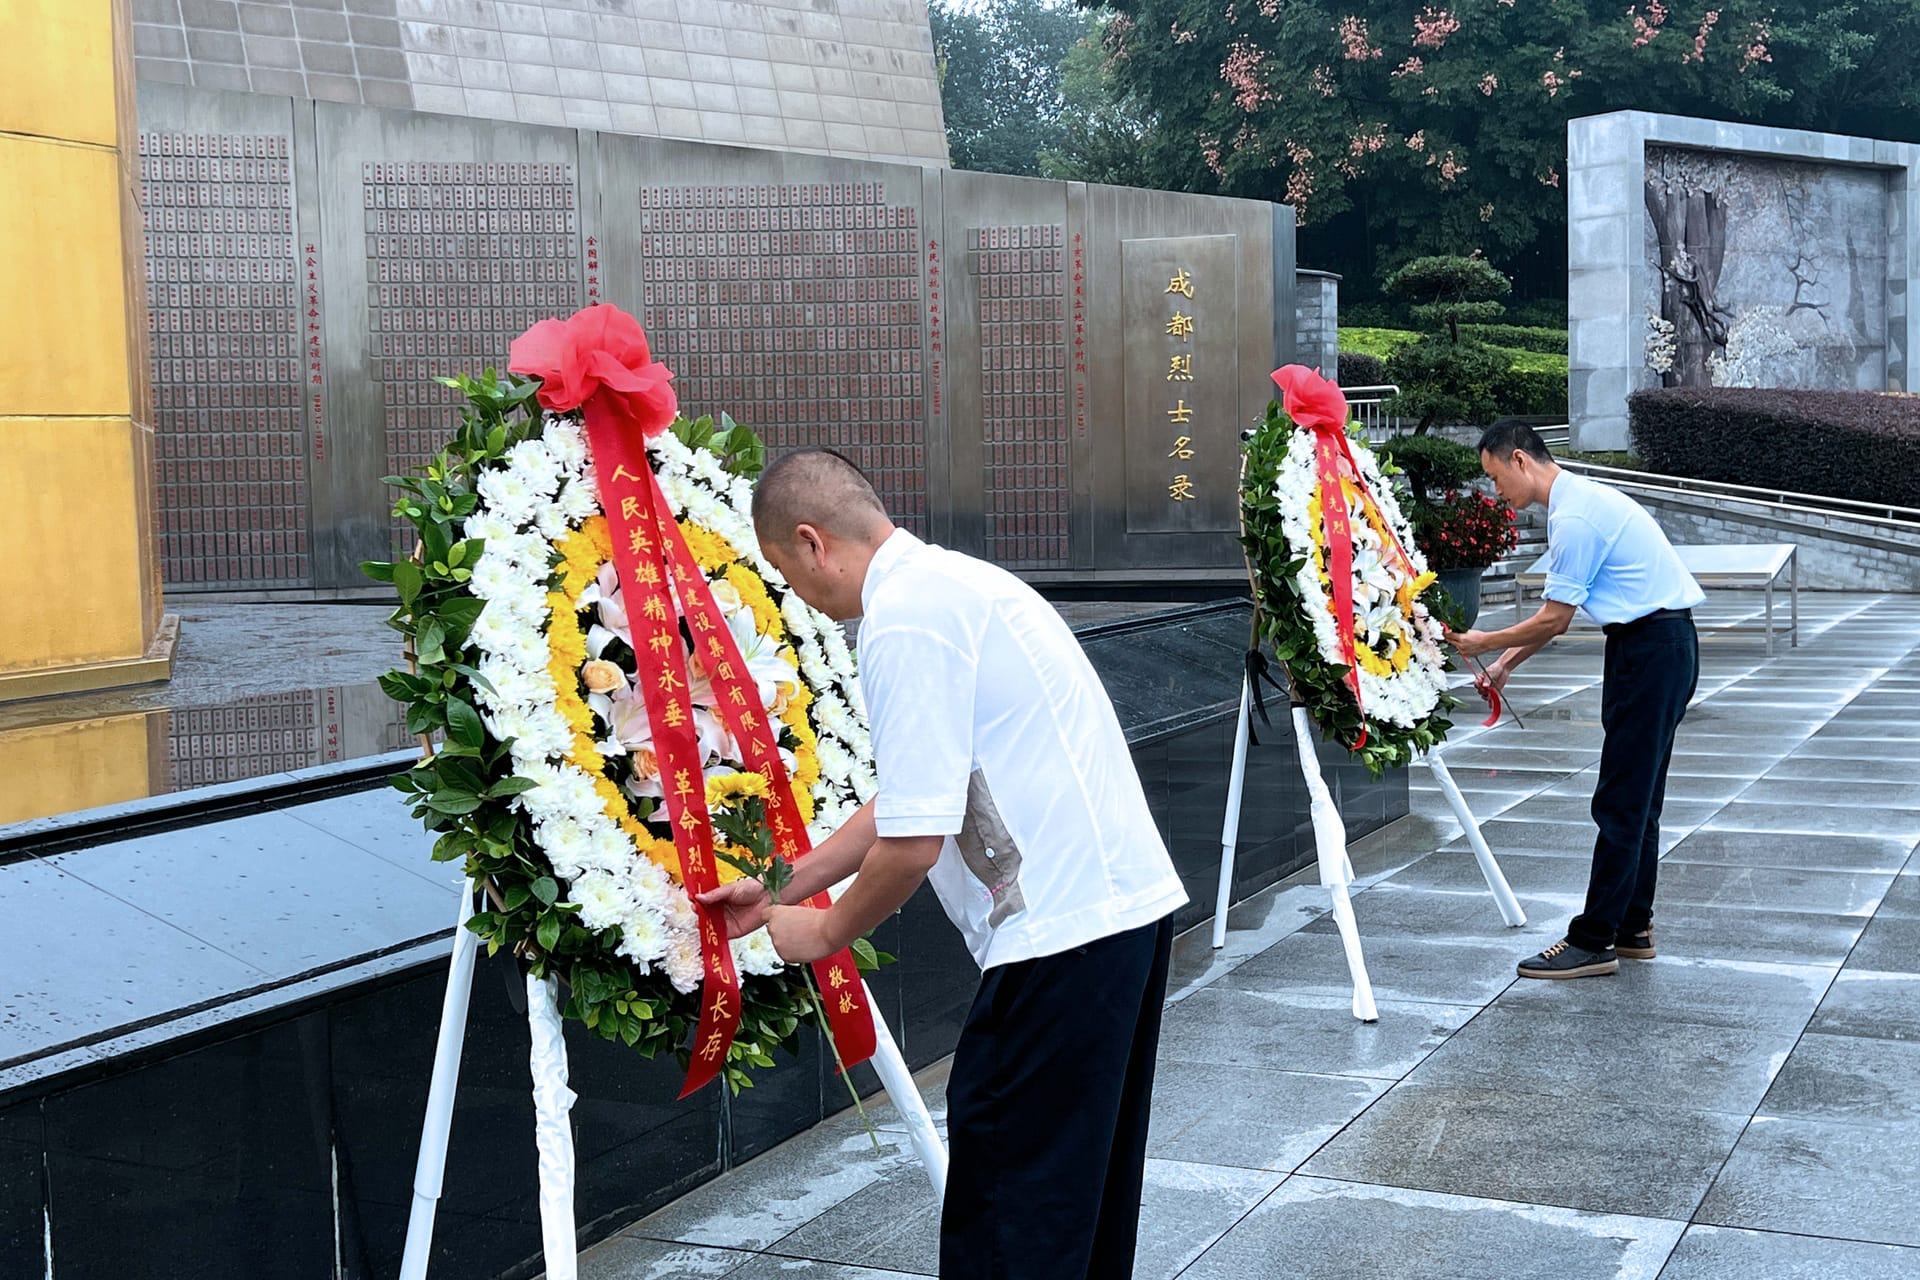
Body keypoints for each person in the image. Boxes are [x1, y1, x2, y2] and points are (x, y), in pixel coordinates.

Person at [699, 448, 1187, 1278]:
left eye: (788, 575)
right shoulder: (956, 584)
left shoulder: (906, 618)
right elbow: (913, 796)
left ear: (813, 543)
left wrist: (825, 934)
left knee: (1013, 1207)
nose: (803, 600)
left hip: (1062, 941)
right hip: (1115, 923)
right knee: (1076, 1203)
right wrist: (785, 885)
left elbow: (915, 843)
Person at [1447, 422, 1704, 980]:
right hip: (1659, 647)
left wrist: (1481, 641)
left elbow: (1555, 618)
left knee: (1620, 801)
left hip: (1651, 651)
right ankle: (1633, 926)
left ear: (1519, 460)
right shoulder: (1584, 501)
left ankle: (1593, 941)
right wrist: (1504, 665)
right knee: (1639, 798)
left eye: (1495, 479)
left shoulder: (1575, 518)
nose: (1497, 495)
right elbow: (1560, 616)